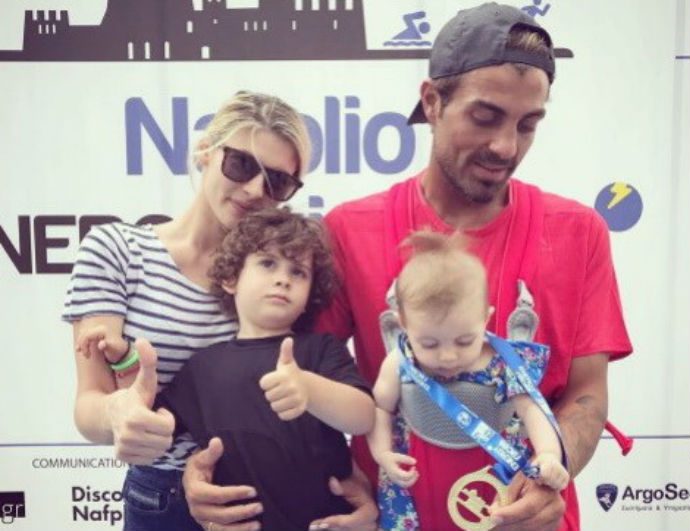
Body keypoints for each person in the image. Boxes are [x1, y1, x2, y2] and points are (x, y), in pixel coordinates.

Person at [184, 3, 633, 531]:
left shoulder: (579, 231)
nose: (505, 145)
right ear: (433, 101)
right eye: (485, 117)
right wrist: (208, 468)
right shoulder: (348, 230)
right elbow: (296, 379)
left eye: (528, 125)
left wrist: (548, 478)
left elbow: (587, 394)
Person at [64, 90, 377, 531]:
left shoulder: (284, 275)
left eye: (276, 181)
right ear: (205, 152)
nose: (255, 190)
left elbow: (325, 407)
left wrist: (350, 479)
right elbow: (94, 405)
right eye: (241, 164)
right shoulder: (117, 250)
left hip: (286, 496)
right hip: (164, 500)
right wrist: (121, 412)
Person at [157, 206, 376, 531]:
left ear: (310, 294)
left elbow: (363, 417)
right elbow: (158, 427)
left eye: (298, 272)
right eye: (268, 263)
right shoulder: (202, 367)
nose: (283, 279)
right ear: (231, 278)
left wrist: (309, 389)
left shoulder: (321, 350)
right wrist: (123, 364)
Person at [367, 231, 568, 530]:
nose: (448, 356)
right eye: (429, 344)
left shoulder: (504, 361)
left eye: (464, 341)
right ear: (404, 325)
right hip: (416, 486)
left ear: (485, 319)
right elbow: (380, 408)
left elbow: (531, 410)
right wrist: (383, 454)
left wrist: (549, 454)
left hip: (495, 481)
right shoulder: (400, 361)